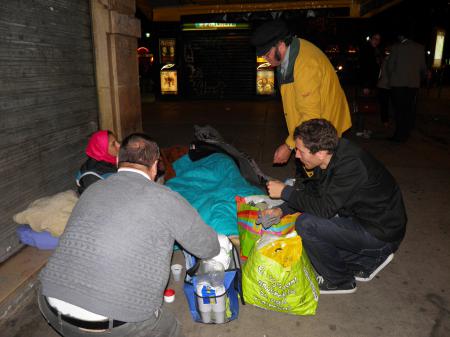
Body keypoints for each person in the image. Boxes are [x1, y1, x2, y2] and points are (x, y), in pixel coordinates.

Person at [38, 133, 220, 337]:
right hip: (115, 323)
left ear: (117, 161)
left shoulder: (92, 189)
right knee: (170, 328)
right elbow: (208, 247)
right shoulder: (165, 198)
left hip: (50, 304)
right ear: (155, 165)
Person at [264, 119, 407, 294]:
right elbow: (312, 190)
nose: (297, 156)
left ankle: (341, 281)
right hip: (363, 219)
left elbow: (324, 209)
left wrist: (285, 191)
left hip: (382, 233)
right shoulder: (329, 156)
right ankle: (367, 260)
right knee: (311, 251)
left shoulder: (352, 166)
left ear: (321, 153)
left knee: (307, 225)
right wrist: (282, 210)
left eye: (301, 151)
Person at [250, 20, 352, 166]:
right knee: (308, 175)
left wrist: (289, 146)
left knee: (321, 175)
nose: (265, 59)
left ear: (281, 45)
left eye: (267, 54)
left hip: (325, 129)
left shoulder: (306, 66)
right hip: (311, 129)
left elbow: (311, 115)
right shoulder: (287, 55)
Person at [387, 32, 427, 142]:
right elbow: (423, 68)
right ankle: (406, 132)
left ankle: (399, 135)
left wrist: (393, 76)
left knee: (399, 110)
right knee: (408, 109)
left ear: (401, 36)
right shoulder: (420, 48)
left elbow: (390, 66)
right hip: (413, 84)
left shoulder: (396, 47)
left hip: (398, 84)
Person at [76, 130, 120, 194]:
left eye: (117, 141)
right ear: (102, 148)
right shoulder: (91, 176)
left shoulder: (111, 160)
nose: (119, 145)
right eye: (113, 144)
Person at [356, 33, 382, 137]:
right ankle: (359, 130)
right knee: (363, 106)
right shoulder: (367, 50)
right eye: (375, 39)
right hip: (365, 83)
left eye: (378, 39)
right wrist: (366, 85)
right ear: (370, 39)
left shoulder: (372, 50)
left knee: (364, 106)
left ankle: (361, 128)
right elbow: (365, 68)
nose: (377, 41)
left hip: (368, 83)